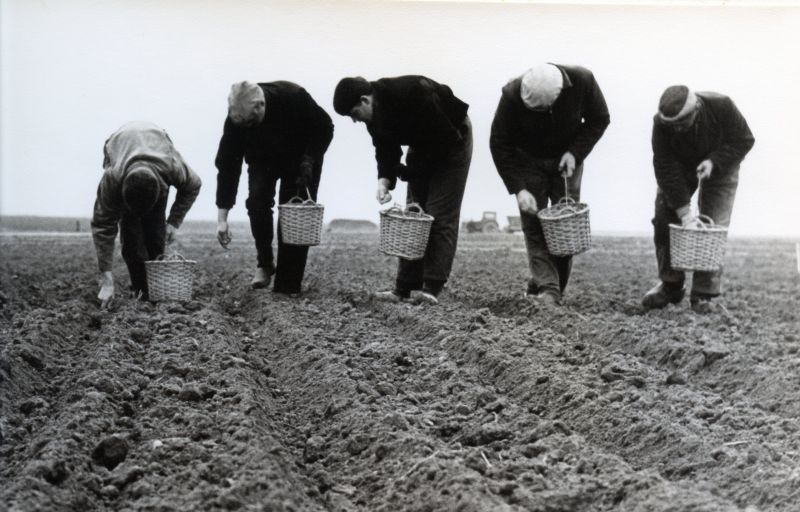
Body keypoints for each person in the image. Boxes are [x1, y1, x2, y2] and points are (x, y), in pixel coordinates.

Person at [333, 75, 473, 305]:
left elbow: (444, 138)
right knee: (413, 215)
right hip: (423, 144)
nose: (355, 121)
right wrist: (384, 181)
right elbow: (385, 148)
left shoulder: (412, 91)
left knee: (439, 213)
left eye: (353, 114)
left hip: (452, 138)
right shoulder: (374, 117)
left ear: (365, 100)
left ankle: (431, 288)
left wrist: (414, 171)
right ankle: (404, 288)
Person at [490, 63, 610, 305]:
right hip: (528, 160)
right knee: (533, 223)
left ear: (559, 94)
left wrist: (575, 153)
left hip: (566, 159)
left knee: (565, 225)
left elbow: (600, 118)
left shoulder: (583, 80)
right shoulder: (511, 94)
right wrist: (519, 189)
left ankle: (551, 290)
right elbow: (499, 142)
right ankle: (548, 288)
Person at [642, 85, 754, 313]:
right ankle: (671, 285)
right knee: (664, 215)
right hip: (681, 166)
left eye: (682, 123)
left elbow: (744, 140)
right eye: (672, 125)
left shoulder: (722, 106)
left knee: (714, 225)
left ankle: (703, 294)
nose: (677, 129)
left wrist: (714, 161)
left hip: (722, 165)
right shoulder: (661, 124)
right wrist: (684, 213)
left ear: (697, 109)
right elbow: (664, 166)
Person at [214, 81, 334, 294]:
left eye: (253, 123)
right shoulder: (236, 121)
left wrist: (310, 158)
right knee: (256, 201)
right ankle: (265, 263)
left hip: (300, 158)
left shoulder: (293, 96)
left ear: (261, 105)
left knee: (295, 214)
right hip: (263, 159)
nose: (250, 128)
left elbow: (325, 126)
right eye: (246, 126)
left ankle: (288, 283)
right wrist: (222, 219)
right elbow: (227, 166)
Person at [92, 121, 202, 306]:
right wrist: (107, 280)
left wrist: (173, 222)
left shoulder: (171, 166)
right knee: (131, 242)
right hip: (119, 146)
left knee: (156, 236)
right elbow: (103, 225)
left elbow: (193, 185)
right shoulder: (113, 178)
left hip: (157, 144)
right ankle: (141, 291)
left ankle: (155, 290)